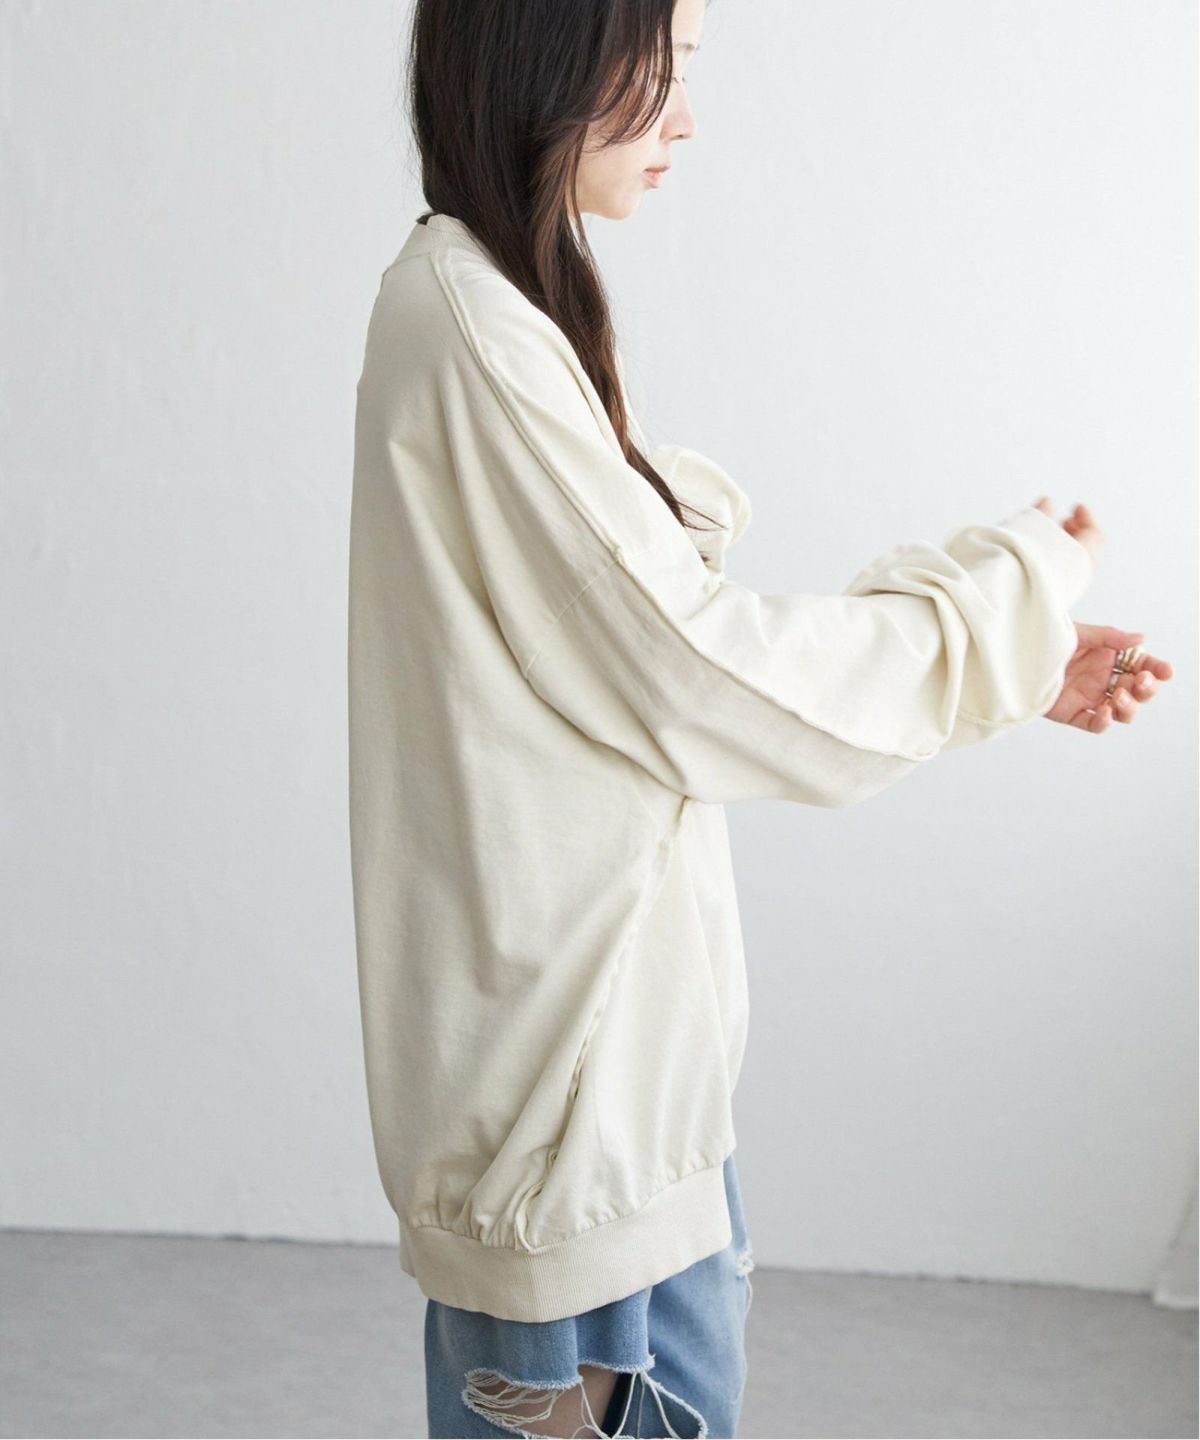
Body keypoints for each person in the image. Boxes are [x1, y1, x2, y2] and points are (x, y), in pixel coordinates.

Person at [346, 1, 1172, 1434]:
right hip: (572, 1127)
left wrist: (1008, 660)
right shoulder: (474, 325)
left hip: (619, 1100)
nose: (682, 117)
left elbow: (659, 655)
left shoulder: (506, 306)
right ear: (546, 55)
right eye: (655, 69)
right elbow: (694, 673)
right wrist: (1000, 606)